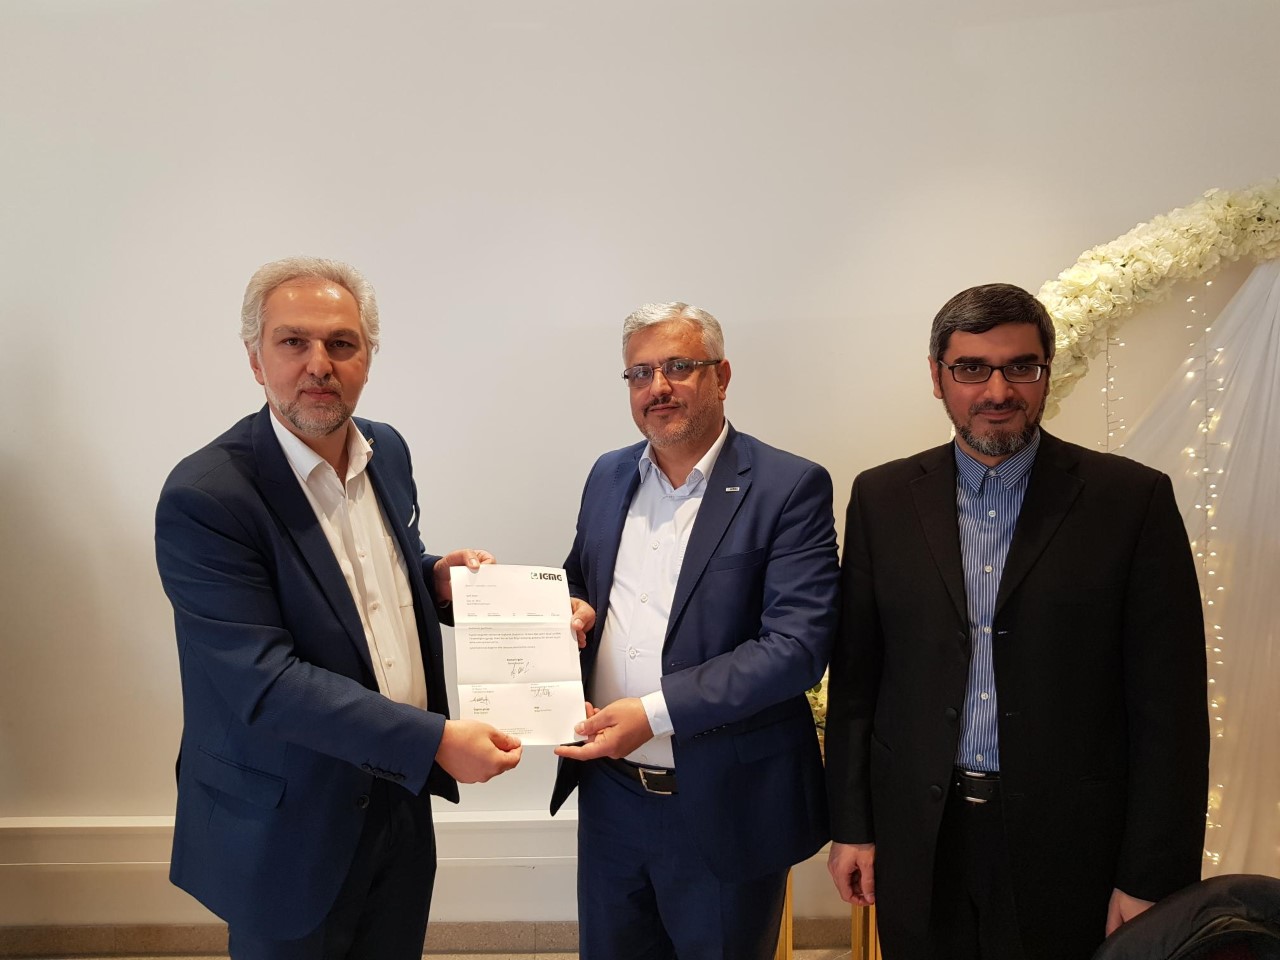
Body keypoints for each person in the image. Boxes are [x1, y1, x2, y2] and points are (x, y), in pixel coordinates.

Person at [824, 282, 1209, 960]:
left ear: (1046, 373)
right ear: (938, 378)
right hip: (920, 839)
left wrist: (1153, 874)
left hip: (1072, 848)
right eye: (972, 368)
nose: (998, 391)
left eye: (1020, 367)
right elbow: (858, 681)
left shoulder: (1131, 500)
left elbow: (1169, 709)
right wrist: (852, 825)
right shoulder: (881, 498)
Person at [154, 257, 523, 960]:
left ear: (367, 359)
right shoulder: (207, 496)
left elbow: (359, 582)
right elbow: (263, 680)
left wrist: (434, 579)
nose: (319, 363)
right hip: (286, 822)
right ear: (256, 359)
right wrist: (433, 741)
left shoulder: (388, 450)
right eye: (294, 341)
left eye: (341, 343)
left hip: (399, 802)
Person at [550, 302, 840, 960]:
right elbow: (581, 576)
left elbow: (796, 648)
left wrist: (653, 713)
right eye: (640, 372)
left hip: (723, 805)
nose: (658, 387)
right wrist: (575, 607)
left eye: (679, 366)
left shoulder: (788, 486)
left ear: (722, 376)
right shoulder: (608, 474)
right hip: (611, 798)